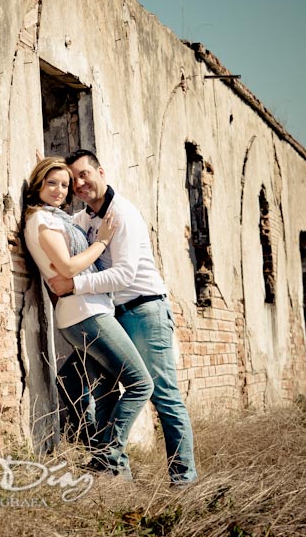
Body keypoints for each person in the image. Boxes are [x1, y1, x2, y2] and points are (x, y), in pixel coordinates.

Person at [48, 149, 198, 486]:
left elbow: (124, 275)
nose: (79, 183)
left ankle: (184, 480)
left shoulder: (122, 214)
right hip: (112, 314)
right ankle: (115, 472)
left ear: (101, 172)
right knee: (101, 390)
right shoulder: (84, 219)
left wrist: (73, 284)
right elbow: (57, 227)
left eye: (84, 174)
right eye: (74, 180)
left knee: (162, 393)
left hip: (145, 310)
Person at [22, 156, 153, 479]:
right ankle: (109, 454)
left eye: (64, 185)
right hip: (85, 314)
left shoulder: (58, 219)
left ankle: (114, 476)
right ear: (38, 184)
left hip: (86, 310)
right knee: (140, 384)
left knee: (106, 392)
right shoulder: (42, 220)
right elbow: (66, 267)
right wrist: (103, 241)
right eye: (52, 183)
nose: (60, 190)